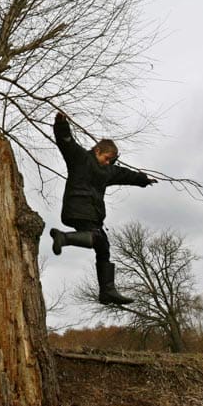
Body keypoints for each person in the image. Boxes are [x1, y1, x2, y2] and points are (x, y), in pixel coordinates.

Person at [49, 111, 155, 305]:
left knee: (103, 247)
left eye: (110, 161)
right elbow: (66, 143)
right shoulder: (80, 158)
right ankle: (63, 237)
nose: (107, 163)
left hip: (91, 213)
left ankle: (107, 291)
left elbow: (126, 174)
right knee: (98, 239)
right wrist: (61, 125)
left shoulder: (107, 171)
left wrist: (143, 179)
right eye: (106, 158)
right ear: (97, 150)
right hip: (78, 207)